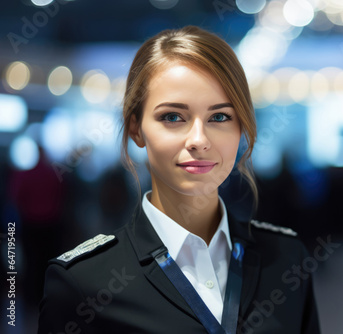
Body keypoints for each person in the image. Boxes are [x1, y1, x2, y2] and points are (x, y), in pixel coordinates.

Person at [38, 26, 320, 334]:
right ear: (136, 129)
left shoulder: (287, 259)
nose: (198, 140)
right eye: (172, 117)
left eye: (220, 117)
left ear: (242, 128)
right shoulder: (83, 283)